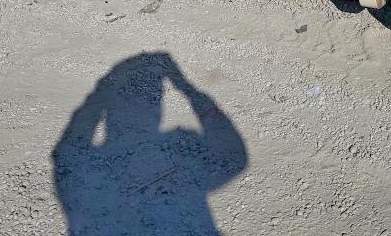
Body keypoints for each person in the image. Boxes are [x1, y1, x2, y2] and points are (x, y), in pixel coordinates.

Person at [52, 52, 247, 235]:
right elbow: (236, 158)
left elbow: (67, 148)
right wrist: (189, 91)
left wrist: (101, 92)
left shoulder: (81, 181)